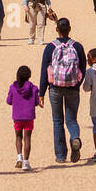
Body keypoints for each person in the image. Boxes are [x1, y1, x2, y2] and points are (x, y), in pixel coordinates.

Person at [38, 17, 87, 163]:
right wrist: (77, 84)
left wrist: (41, 93)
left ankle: (60, 155)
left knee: (57, 120)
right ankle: (74, 137)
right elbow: (83, 69)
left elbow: (44, 71)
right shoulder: (77, 46)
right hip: (72, 87)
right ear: (70, 29)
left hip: (55, 88)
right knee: (71, 119)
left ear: (57, 30)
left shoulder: (50, 47)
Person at [6, 64, 38, 171]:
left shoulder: (13, 87)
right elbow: (37, 102)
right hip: (29, 117)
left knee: (18, 136)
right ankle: (26, 162)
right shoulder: (33, 88)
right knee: (27, 138)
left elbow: (8, 101)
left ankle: (19, 157)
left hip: (17, 117)